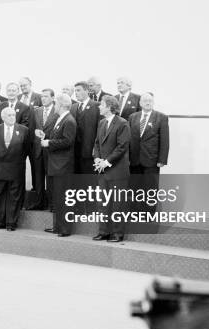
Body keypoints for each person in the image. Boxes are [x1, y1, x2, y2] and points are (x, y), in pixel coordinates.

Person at [92, 95, 131, 243]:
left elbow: (122, 147)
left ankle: (117, 234)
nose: (99, 107)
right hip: (103, 171)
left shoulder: (123, 123)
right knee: (103, 203)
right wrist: (97, 158)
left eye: (101, 104)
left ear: (109, 107)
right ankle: (104, 232)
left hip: (117, 171)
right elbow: (96, 144)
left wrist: (106, 162)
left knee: (117, 205)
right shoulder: (101, 122)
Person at [40, 94, 76, 237]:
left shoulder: (69, 120)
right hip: (56, 164)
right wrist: (46, 137)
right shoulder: (60, 119)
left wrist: (49, 143)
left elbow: (67, 141)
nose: (54, 106)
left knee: (63, 199)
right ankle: (57, 226)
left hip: (63, 165)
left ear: (61, 105)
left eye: (56, 104)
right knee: (57, 197)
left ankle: (65, 229)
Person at [128, 93, 169, 215]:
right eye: (145, 100)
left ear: (153, 102)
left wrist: (162, 159)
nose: (147, 102)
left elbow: (165, 140)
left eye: (150, 100)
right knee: (134, 188)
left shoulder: (161, 117)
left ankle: (148, 214)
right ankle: (134, 212)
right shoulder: (132, 117)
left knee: (150, 188)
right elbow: (129, 139)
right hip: (134, 160)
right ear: (140, 103)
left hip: (152, 160)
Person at [0, 107, 29, 231]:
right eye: (9, 115)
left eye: (13, 115)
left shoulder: (23, 130)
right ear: (3, 117)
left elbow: (27, 149)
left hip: (16, 168)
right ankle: (0, 221)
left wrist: (17, 160)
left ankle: (11, 223)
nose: (12, 117)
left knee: (14, 196)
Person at [27, 88, 58, 210]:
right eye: (42, 96)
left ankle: (52, 204)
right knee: (38, 178)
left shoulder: (57, 111)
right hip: (38, 149)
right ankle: (39, 202)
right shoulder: (36, 111)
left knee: (50, 178)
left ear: (52, 98)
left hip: (51, 149)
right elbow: (32, 128)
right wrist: (35, 132)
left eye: (46, 96)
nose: (43, 99)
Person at [70, 81, 101, 174]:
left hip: (89, 151)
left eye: (78, 90)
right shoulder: (73, 107)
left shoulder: (97, 106)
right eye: (75, 91)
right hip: (75, 151)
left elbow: (100, 130)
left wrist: (96, 149)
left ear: (87, 91)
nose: (76, 93)